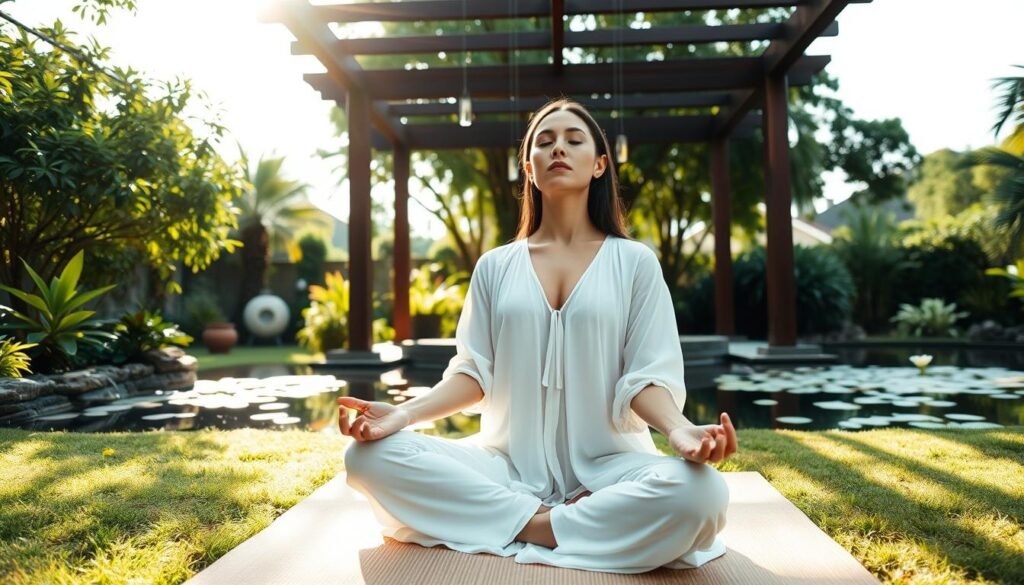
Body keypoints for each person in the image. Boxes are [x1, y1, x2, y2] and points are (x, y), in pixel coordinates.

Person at [337, 98, 737, 574]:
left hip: (612, 470)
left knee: (704, 494)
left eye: (573, 140)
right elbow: (473, 374)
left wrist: (679, 429)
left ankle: (516, 525)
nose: (558, 149)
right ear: (529, 168)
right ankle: (543, 523)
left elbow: (645, 376)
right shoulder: (495, 266)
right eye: (544, 143)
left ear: (599, 164)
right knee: (366, 458)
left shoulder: (635, 263)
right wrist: (401, 415)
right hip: (503, 469)